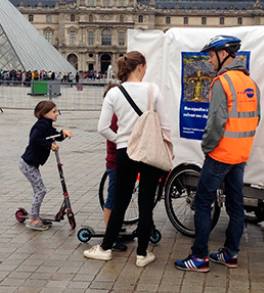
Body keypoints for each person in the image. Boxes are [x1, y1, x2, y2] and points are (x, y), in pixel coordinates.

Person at [175, 35, 261, 273]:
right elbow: (257, 118)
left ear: (224, 54)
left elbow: (215, 123)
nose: (209, 61)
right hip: (241, 155)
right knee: (235, 205)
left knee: (202, 203)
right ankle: (230, 254)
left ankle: (200, 257)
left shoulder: (222, 82)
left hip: (221, 154)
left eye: (211, 56)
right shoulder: (250, 82)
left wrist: (207, 147)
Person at [84, 51, 170, 268]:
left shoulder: (114, 93)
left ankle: (105, 248)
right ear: (140, 66)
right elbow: (165, 125)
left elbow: (102, 127)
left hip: (125, 153)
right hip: (149, 151)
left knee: (121, 202)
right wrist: (167, 148)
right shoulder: (153, 90)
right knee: (146, 202)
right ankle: (142, 254)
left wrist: (123, 141)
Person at [20, 101, 73, 231]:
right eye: (54, 112)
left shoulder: (47, 125)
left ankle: (35, 215)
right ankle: (33, 219)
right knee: (40, 190)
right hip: (28, 164)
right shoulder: (41, 125)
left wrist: (63, 133)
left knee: (39, 190)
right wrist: (49, 146)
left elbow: (53, 136)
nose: (57, 114)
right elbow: (34, 139)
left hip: (31, 164)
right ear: (45, 114)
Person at [101, 82, 127, 251]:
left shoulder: (115, 114)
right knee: (112, 198)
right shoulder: (114, 116)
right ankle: (110, 233)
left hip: (118, 160)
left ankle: (114, 227)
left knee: (117, 197)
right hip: (115, 161)